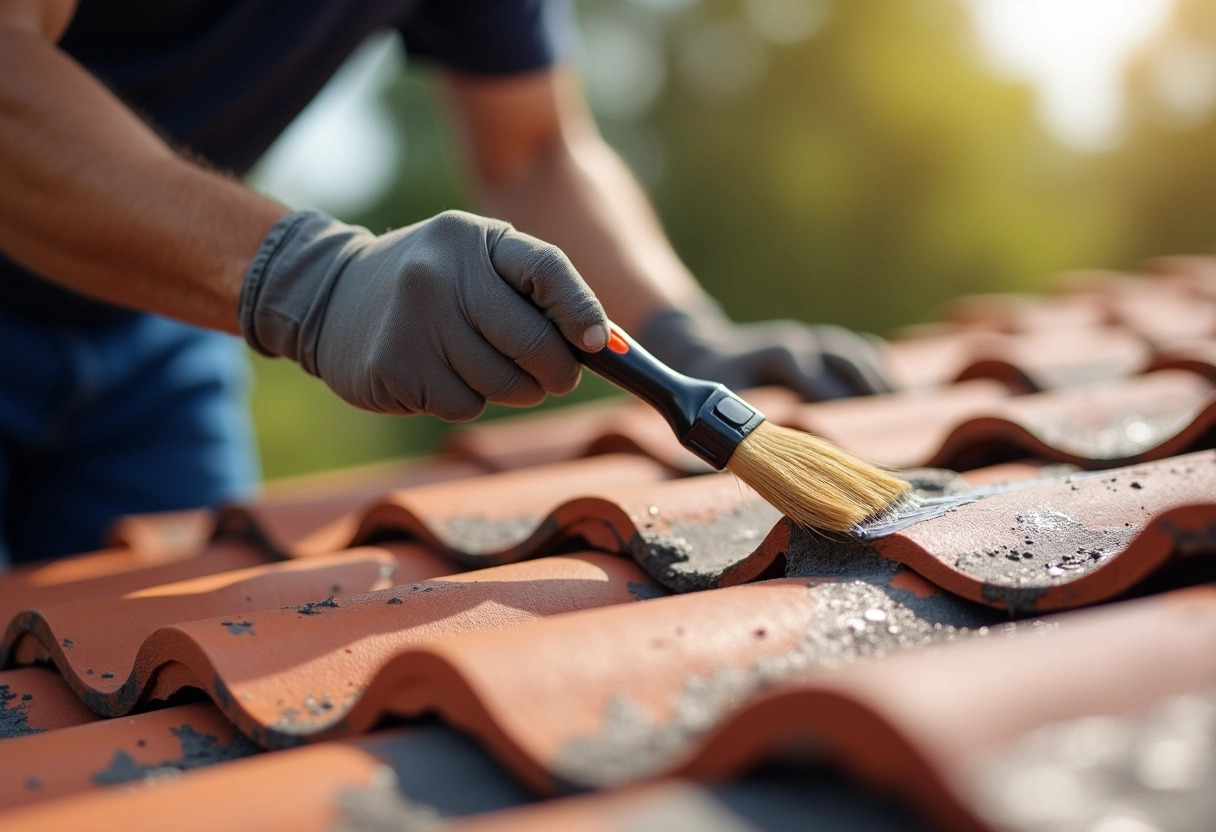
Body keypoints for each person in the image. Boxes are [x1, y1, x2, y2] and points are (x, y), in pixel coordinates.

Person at [0, 0, 890, 564]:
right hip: (151, 279)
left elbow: (534, 146)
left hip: (155, 332)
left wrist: (685, 329)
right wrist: (314, 280)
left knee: (152, 696)